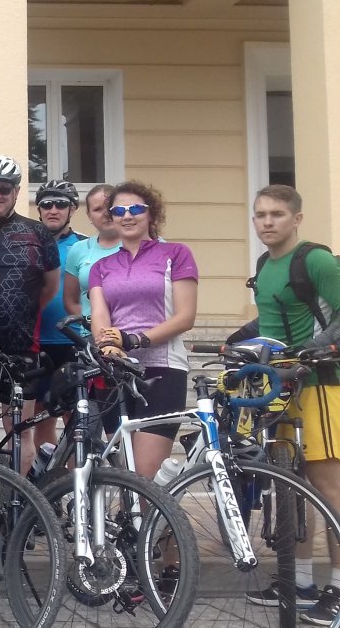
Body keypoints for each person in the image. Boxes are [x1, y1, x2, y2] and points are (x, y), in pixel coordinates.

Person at [239, 184, 340, 624]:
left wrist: (314, 349)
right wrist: (237, 341)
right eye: (261, 214)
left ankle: (338, 588)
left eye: (277, 214)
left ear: (296, 219)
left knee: (329, 488)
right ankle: (297, 581)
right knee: (291, 488)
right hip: (279, 386)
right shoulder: (265, 264)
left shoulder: (315, 260)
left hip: (319, 385)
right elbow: (272, 318)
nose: (267, 222)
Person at [89, 181, 198, 482]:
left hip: (162, 370)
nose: (127, 215)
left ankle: (159, 514)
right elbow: (99, 315)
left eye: (136, 208)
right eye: (118, 211)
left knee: (145, 476)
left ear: (151, 213)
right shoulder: (101, 266)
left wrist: (136, 340)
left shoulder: (176, 253)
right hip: (116, 371)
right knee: (124, 476)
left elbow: (186, 316)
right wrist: (108, 346)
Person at [0, 156, 60, 474]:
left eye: (4, 189)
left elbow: (50, 286)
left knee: (20, 430)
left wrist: (22, 311)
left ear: (16, 192)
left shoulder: (38, 232)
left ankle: (17, 500)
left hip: (22, 346)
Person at [31, 179, 87, 450]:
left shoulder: (85, 245)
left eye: (61, 204)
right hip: (36, 342)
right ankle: (49, 473)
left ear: (72, 209)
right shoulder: (28, 243)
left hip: (73, 341)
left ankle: (74, 474)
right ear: (39, 210)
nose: (53, 210)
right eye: (47, 204)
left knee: (74, 421)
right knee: (41, 417)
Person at [63, 184, 121, 320]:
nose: (106, 213)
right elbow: (70, 301)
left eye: (110, 207)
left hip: (133, 330)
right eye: (98, 209)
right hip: (92, 331)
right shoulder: (78, 249)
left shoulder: (142, 245)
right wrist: (93, 323)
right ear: (89, 215)